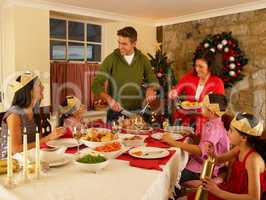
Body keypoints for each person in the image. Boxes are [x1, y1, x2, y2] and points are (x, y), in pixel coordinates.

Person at [187, 112, 266, 200]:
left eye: (231, 131)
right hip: (230, 190)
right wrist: (212, 154)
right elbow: (219, 159)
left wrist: (218, 191)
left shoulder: (252, 160)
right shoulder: (239, 148)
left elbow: (254, 198)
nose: (227, 133)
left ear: (243, 138)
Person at [92, 26, 159, 123]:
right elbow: (96, 84)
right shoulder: (111, 59)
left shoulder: (143, 59)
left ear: (134, 44)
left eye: (124, 44)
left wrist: (151, 89)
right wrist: (109, 99)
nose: (120, 47)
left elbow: (153, 79)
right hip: (115, 111)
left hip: (137, 111)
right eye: (119, 42)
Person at [162, 93, 230, 187]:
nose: (201, 107)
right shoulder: (214, 122)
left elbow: (201, 151)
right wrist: (193, 136)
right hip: (200, 163)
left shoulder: (214, 128)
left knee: (170, 176)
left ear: (212, 112)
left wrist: (172, 142)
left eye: (204, 106)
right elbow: (206, 144)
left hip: (204, 170)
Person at [0, 72, 65, 158]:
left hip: (30, 159)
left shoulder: (35, 112)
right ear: (29, 90)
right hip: (12, 164)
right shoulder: (14, 114)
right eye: (39, 85)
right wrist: (48, 138)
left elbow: (38, 142)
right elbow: (15, 150)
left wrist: (53, 137)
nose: (43, 87)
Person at [168, 51, 224, 136]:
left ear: (209, 67)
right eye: (196, 65)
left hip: (207, 124)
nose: (197, 69)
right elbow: (177, 88)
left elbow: (219, 107)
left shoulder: (217, 82)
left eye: (201, 66)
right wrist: (173, 92)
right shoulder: (189, 76)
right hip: (187, 122)